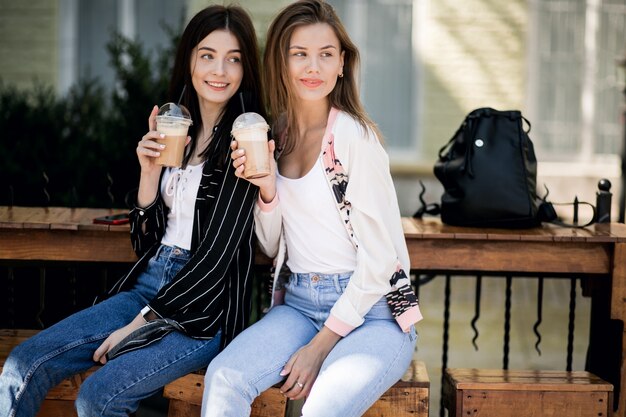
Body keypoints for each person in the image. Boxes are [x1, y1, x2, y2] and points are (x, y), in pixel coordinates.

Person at [0, 5, 265, 417]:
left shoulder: (245, 140)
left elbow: (215, 260)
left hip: (199, 312)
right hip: (147, 285)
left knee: (98, 397)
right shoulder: (178, 129)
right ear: (190, 61)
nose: (220, 70)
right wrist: (147, 176)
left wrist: (140, 323)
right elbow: (144, 242)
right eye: (208, 55)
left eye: (234, 59)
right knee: (23, 365)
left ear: (246, 69)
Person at [201, 1, 423, 416]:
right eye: (299, 53)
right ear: (282, 62)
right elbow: (270, 245)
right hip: (300, 304)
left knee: (319, 409)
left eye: (326, 54)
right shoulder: (276, 134)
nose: (313, 66)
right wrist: (267, 190)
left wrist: (319, 347)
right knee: (225, 377)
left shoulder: (355, 137)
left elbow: (379, 261)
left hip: (374, 314)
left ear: (342, 64)